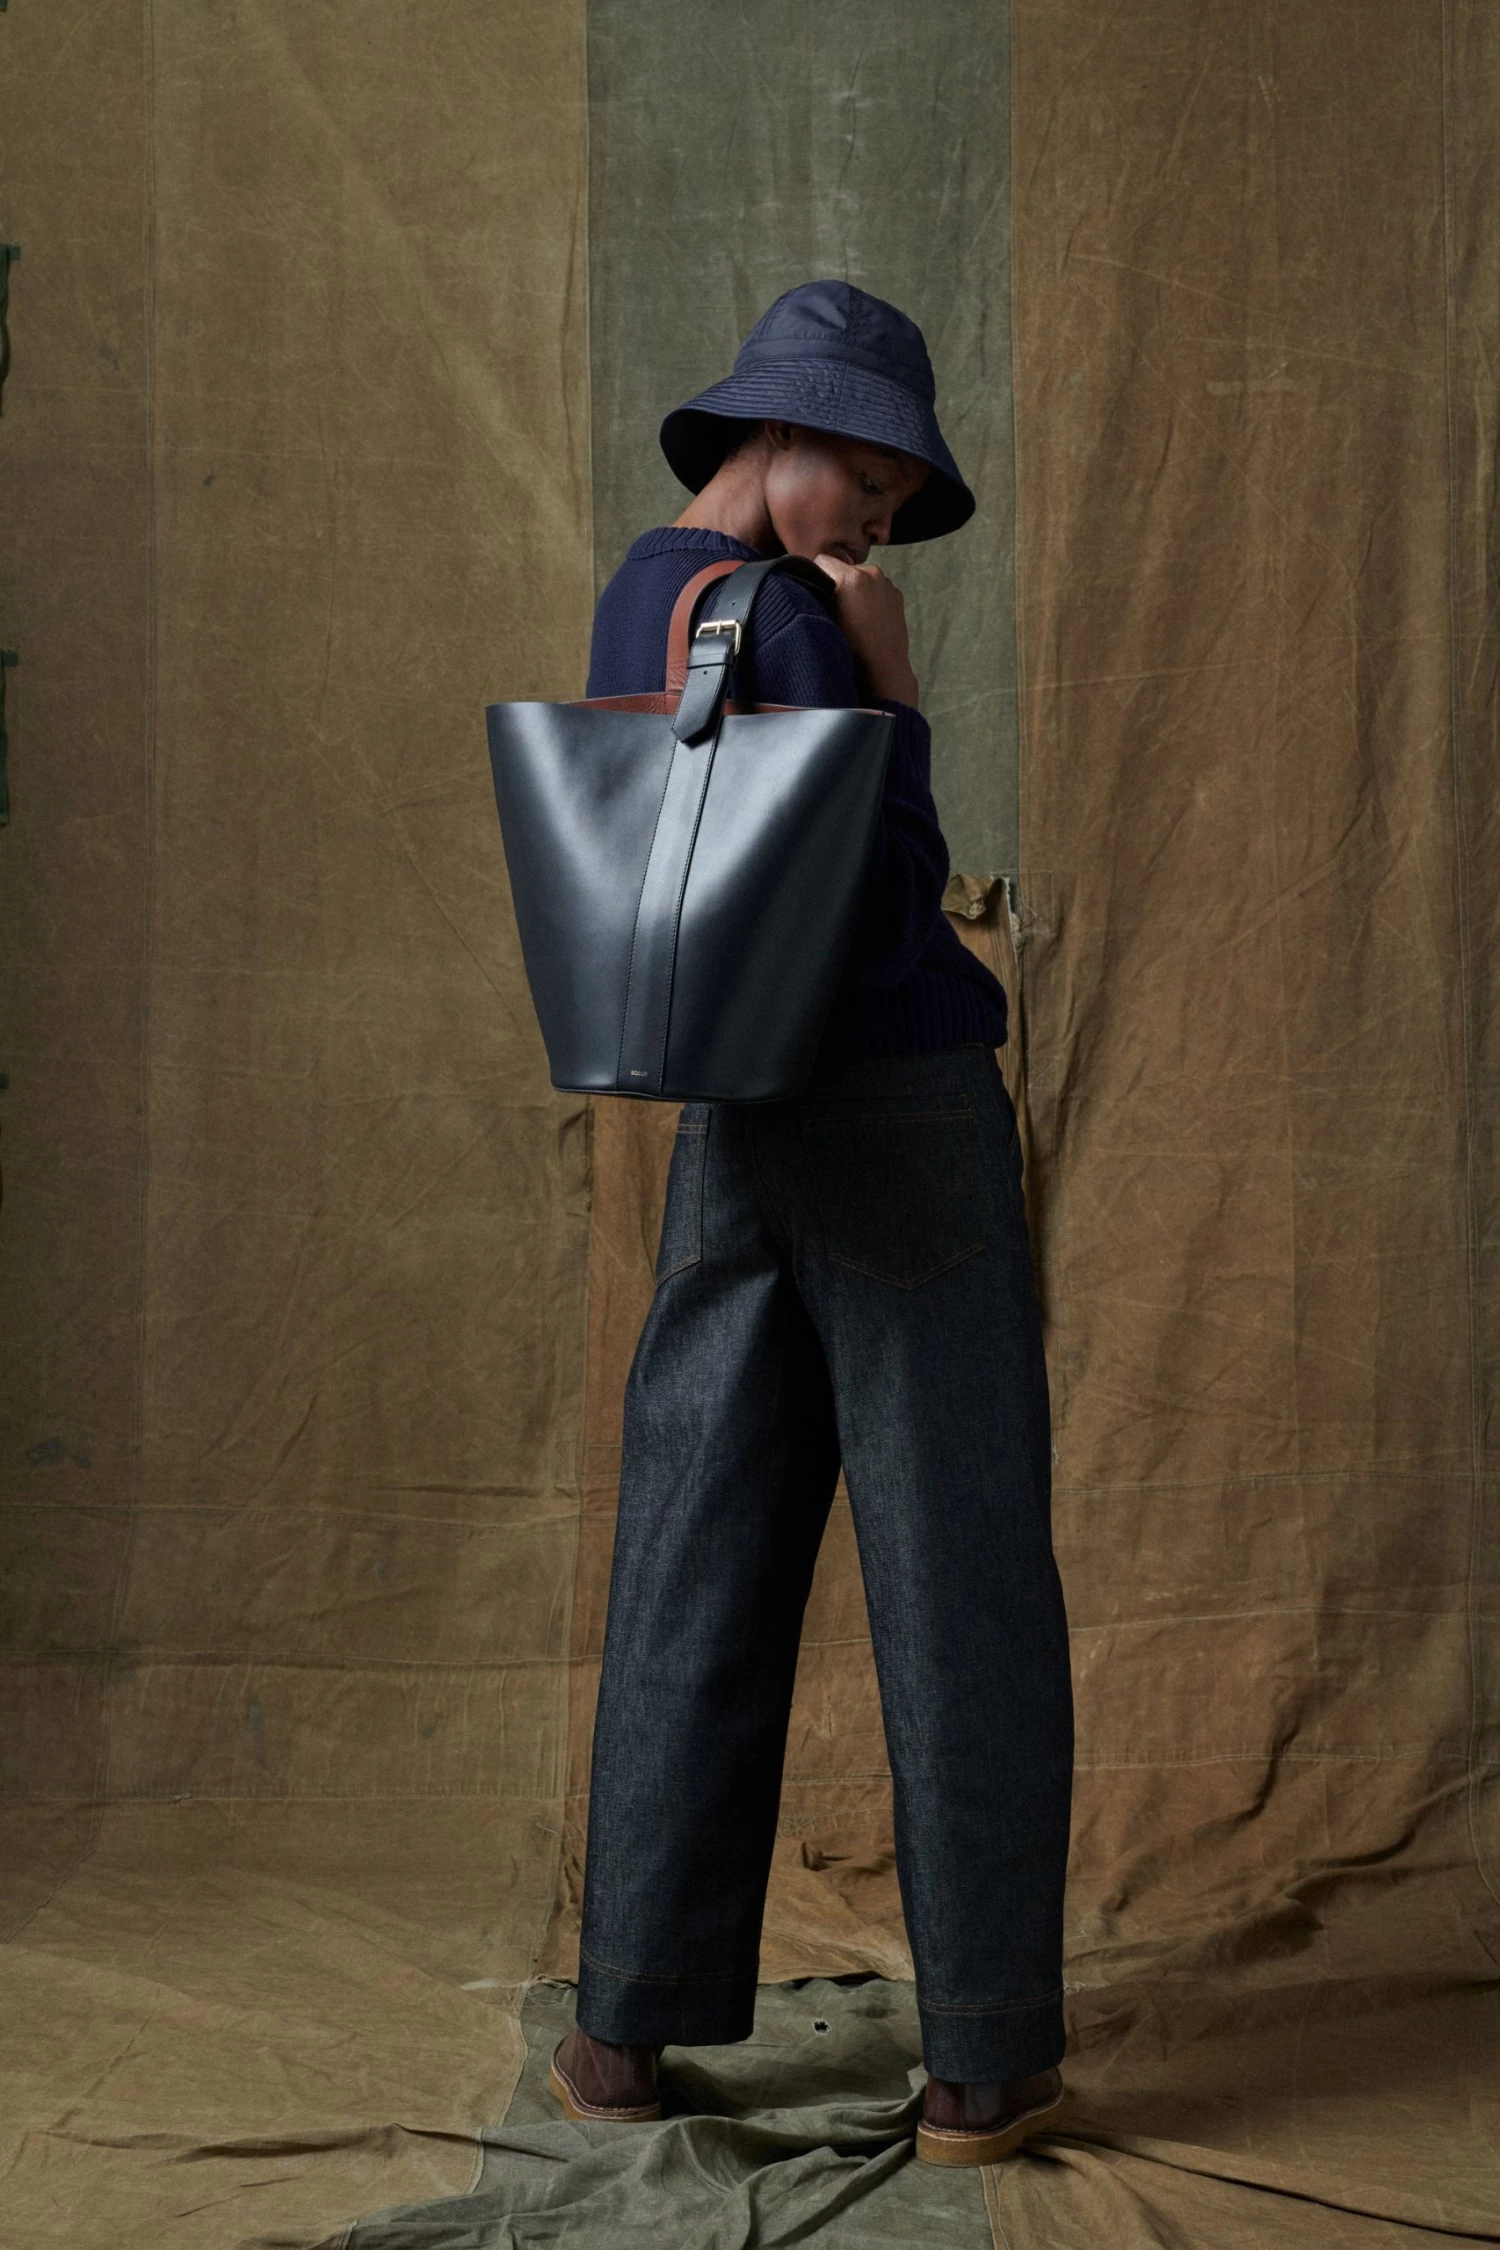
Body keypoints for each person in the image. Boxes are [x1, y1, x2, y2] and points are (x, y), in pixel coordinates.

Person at [550, 280, 1074, 2166]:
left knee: (694, 1545)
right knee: (959, 1568)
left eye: (897, 498)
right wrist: (897, 692)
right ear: (777, 428)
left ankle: (623, 2026)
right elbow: (887, 886)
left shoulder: (642, 594)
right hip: (897, 1111)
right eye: (865, 470)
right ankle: (987, 2053)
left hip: (731, 1111)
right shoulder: (797, 616)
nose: (879, 518)